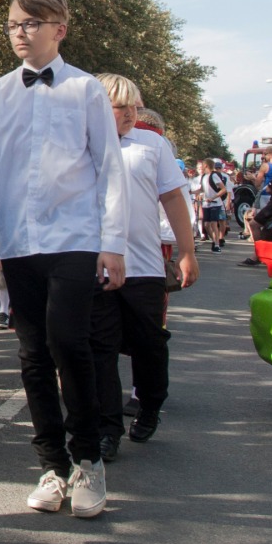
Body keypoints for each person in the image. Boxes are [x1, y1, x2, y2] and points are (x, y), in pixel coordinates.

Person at [0, 0, 127, 520]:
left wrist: (113, 243)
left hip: (75, 236)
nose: (20, 32)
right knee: (33, 354)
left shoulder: (86, 91)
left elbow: (109, 167)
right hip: (17, 240)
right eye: (14, 23)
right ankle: (53, 465)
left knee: (68, 343)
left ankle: (89, 460)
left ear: (59, 29)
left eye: (32, 23)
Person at [91, 75, 198, 461]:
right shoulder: (80, 144)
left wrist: (186, 251)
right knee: (100, 347)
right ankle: (108, 429)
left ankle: (150, 403)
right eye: (123, 106)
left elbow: (172, 197)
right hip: (95, 266)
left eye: (135, 105)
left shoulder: (152, 144)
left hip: (144, 265)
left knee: (148, 344)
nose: (131, 113)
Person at [195, 159, 228, 252]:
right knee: (206, 224)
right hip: (206, 203)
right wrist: (191, 192)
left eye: (203, 165)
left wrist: (213, 198)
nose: (201, 167)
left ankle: (217, 245)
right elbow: (201, 189)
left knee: (214, 223)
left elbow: (223, 189)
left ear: (206, 165)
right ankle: (214, 240)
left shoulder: (214, 175)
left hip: (215, 203)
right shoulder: (204, 177)